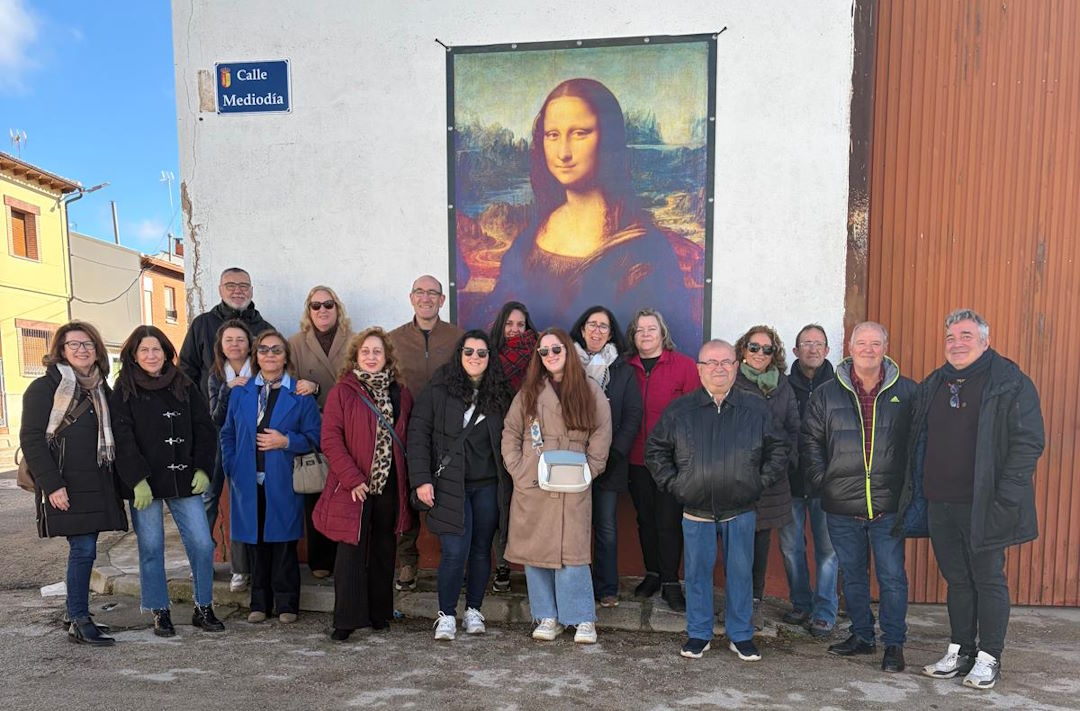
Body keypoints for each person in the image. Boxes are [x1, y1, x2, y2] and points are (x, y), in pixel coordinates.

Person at [487, 77, 698, 350]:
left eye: (580, 133)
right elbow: (496, 322)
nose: (563, 152)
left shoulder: (643, 249)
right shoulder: (530, 240)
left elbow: (666, 344)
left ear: (607, 140)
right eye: (553, 135)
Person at [898, 309, 1044, 690]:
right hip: (939, 502)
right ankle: (960, 650)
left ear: (984, 341)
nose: (957, 343)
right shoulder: (935, 383)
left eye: (966, 336)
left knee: (988, 579)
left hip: (986, 504)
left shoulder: (1009, 382)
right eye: (950, 337)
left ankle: (989, 657)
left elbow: (1028, 442)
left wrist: (1007, 496)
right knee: (958, 580)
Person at [646, 340, 790, 661]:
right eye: (711, 363)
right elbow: (655, 449)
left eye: (725, 362)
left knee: (740, 572)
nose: (719, 368)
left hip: (740, 508)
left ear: (736, 367)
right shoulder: (680, 410)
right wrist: (676, 485)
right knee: (697, 573)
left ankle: (740, 634)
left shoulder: (756, 408)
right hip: (695, 508)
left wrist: (758, 482)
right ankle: (699, 633)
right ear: (699, 369)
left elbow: (779, 448)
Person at [801, 321, 916, 673]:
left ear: (886, 346)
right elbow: (810, 443)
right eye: (861, 342)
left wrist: (908, 491)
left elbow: (917, 447)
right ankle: (863, 636)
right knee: (852, 575)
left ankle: (894, 645)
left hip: (888, 506)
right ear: (849, 346)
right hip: (841, 505)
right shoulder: (825, 392)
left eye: (875, 343)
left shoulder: (908, 392)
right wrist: (825, 483)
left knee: (892, 576)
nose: (868, 349)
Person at [110, 325, 223, 637]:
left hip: (184, 479)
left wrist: (202, 468)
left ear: (166, 352)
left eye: (156, 349)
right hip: (144, 483)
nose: (151, 355)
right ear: (134, 355)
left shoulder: (184, 384)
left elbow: (204, 426)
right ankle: (160, 610)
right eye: (144, 350)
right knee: (151, 547)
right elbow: (122, 437)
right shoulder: (123, 389)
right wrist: (136, 480)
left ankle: (204, 606)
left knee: (202, 544)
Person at [20, 321, 128, 646]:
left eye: (88, 344)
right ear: (61, 351)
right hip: (66, 481)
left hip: (96, 481)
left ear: (97, 350)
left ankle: (74, 612)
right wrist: (52, 485)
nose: (82, 350)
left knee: (84, 550)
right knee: (83, 549)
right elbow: (32, 439)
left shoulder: (100, 388)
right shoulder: (44, 388)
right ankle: (80, 619)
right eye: (74, 345)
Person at [502, 328, 612, 644]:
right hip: (533, 478)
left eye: (556, 349)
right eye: (544, 351)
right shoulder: (528, 393)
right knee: (536, 549)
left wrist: (590, 470)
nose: (550, 355)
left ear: (568, 351)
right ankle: (546, 615)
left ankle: (581, 618)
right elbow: (510, 431)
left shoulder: (590, 390)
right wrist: (518, 468)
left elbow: (602, 434)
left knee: (573, 549)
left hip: (574, 479)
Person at [408, 330, 513, 640]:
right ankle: (446, 614)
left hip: (488, 485)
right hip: (449, 484)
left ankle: (474, 611)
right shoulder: (439, 388)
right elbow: (418, 434)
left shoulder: (501, 393)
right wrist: (421, 479)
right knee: (454, 551)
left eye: (482, 353)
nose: (475, 358)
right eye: (469, 352)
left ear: (490, 358)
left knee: (481, 550)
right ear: (459, 354)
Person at [313, 328, 414, 641]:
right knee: (350, 552)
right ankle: (345, 619)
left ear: (387, 358)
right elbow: (330, 439)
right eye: (366, 352)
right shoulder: (342, 392)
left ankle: (379, 613)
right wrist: (353, 478)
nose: (372, 357)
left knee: (385, 548)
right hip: (352, 485)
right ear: (356, 356)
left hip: (389, 484)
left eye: (377, 352)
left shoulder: (401, 392)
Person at [220, 330, 321, 624]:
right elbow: (227, 434)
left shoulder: (299, 395)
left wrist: (286, 442)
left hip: (283, 478)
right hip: (247, 479)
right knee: (256, 544)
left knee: (284, 543)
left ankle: (287, 604)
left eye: (276, 350)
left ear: (286, 356)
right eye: (263, 350)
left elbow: (315, 438)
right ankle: (259, 603)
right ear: (256, 356)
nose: (269, 355)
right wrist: (232, 466)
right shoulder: (241, 392)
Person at [182, 267, 274, 546]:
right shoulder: (202, 324)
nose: (238, 290)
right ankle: (200, 557)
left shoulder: (264, 329)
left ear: (252, 290)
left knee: (245, 494)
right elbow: (185, 370)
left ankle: (245, 565)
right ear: (220, 290)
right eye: (231, 285)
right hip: (210, 429)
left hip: (250, 431)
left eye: (244, 285)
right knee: (208, 495)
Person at [388, 274, 464, 591]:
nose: (426, 298)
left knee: (447, 495)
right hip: (404, 429)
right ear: (411, 298)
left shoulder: (458, 338)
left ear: (442, 300)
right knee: (405, 493)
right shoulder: (392, 339)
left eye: (433, 293)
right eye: (420, 292)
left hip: (447, 431)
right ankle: (407, 561)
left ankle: (452, 561)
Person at [625, 308, 700, 611]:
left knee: (668, 522)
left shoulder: (684, 366)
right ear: (634, 335)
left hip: (671, 462)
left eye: (651, 329)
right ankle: (652, 573)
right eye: (640, 329)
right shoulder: (624, 368)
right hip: (635, 458)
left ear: (662, 333)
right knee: (645, 519)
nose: (645, 334)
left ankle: (671, 581)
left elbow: (695, 414)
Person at [570, 305, 642, 607]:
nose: (597, 330)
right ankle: (575, 587)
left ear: (611, 333)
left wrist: (615, 452)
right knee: (573, 526)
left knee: (606, 526)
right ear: (582, 329)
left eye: (603, 326)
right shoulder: (567, 364)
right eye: (592, 324)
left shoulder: (623, 370)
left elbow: (632, 415)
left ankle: (607, 588)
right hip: (571, 460)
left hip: (610, 462)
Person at [732, 325, 799, 630]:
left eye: (767, 349)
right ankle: (735, 603)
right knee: (735, 546)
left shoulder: (783, 387)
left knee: (760, 547)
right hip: (736, 479)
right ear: (743, 350)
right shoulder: (731, 381)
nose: (760, 353)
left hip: (771, 482)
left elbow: (794, 431)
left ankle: (754, 605)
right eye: (754, 347)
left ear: (775, 354)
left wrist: (779, 463)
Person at [289, 285, 355, 580]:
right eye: (316, 306)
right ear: (308, 310)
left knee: (347, 492)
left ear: (337, 308)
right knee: (315, 492)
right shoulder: (294, 344)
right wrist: (308, 391)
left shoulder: (355, 341)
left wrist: (319, 388)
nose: (322, 311)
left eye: (328, 304)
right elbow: (287, 385)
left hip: (349, 428)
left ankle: (346, 558)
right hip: (313, 429)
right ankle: (319, 560)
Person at [780, 324, 838, 637]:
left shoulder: (840, 386)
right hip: (789, 482)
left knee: (828, 551)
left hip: (828, 484)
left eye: (818, 344)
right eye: (806, 343)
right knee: (791, 548)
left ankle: (825, 611)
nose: (813, 349)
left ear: (827, 351)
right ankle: (801, 603)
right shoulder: (784, 387)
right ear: (795, 350)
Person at [487, 300, 538, 593]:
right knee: (500, 499)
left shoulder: (538, 354)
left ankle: (531, 564)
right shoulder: (489, 355)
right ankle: (503, 562)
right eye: (509, 324)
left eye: (521, 324)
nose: (515, 330)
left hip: (527, 437)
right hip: (493, 436)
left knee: (526, 499)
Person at [206, 319, 257, 593]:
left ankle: (241, 569)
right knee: (209, 500)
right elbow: (215, 416)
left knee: (241, 505)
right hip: (218, 445)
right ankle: (203, 561)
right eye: (229, 340)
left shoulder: (260, 369)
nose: (235, 344)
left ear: (249, 344)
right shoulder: (216, 375)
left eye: (240, 339)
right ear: (221, 347)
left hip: (249, 446)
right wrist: (230, 388)